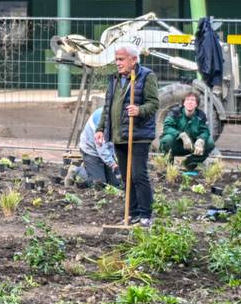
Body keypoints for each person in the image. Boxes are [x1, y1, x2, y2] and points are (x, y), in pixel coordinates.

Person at [96, 44, 159, 226]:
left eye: (121, 59)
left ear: (133, 59)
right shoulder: (115, 79)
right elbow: (108, 107)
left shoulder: (146, 76)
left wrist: (139, 110)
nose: (117, 63)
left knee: (139, 174)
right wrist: (100, 129)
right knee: (126, 176)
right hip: (119, 135)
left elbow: (154, 103)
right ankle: (131, 213)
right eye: (116, 59)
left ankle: (145, 215)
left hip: (138, 134)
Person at [159, 89, 215, 171]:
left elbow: (205, 131)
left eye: (193, 100)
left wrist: (201, 140)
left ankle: (189, 164)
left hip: (192, 146)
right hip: (176, 145)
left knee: (210, 143)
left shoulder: (200, 115)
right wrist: (181, 135)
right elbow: (167, 127)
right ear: (183, 103)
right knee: (167, 139)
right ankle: (168, 168)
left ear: (196, 104)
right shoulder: (175, 113)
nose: (190, 102)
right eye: (187, 100)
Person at [72, 107, 120, 188]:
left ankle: (97, 170)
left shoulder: (119, 117)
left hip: (107, 150)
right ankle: (78, 171)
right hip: (91, 151)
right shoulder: (101, 120)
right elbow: (101, 148)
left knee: (115, 184)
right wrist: (113, 164)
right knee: (99, 184)